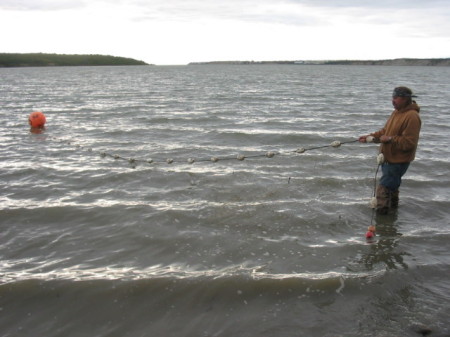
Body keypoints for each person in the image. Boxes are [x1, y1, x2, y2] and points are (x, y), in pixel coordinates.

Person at [359, 86, 421, 214]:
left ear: (405, 99)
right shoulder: (397, 112)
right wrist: (370, 137)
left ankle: (381, 220)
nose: (393, 100)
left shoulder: (412, 116)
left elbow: (409, 143)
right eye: (392, 97)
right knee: (391, 189)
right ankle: (390, 221)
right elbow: (384, 132)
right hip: (389, 159)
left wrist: (390, 139)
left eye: (396, 98)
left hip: (398, 161)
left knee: (384, 189)